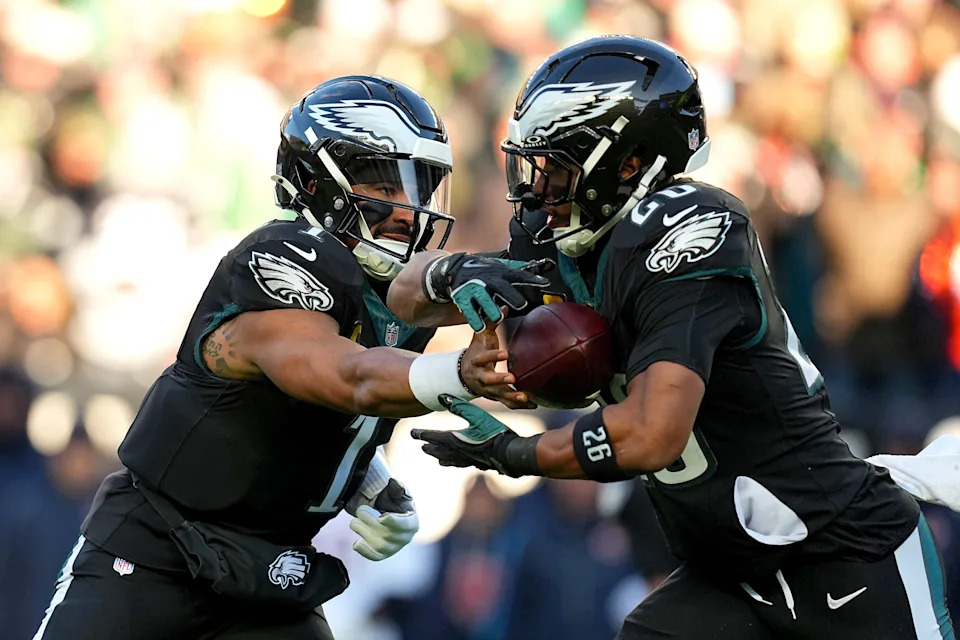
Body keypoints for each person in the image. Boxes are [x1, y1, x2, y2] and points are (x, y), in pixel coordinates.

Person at [387, 37, 956, 639]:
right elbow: (407, 298)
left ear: (629, 163)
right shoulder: (576, 249)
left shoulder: (690, 232)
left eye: (558, 166)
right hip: (732, 574)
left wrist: (514, 455)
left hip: (841, 554)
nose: (538, 188)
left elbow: (653, 433)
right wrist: (454, 270)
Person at [32, 75, 550, 640]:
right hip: (157, 560)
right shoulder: (283, 256)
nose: (410, 211)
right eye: (385, 186)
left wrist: (365, 481)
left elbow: (296, 414)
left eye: (421, 189)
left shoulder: (394, 293)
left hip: (274, 580)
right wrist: (454, 372)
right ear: (314, 182)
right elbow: (338, 376)